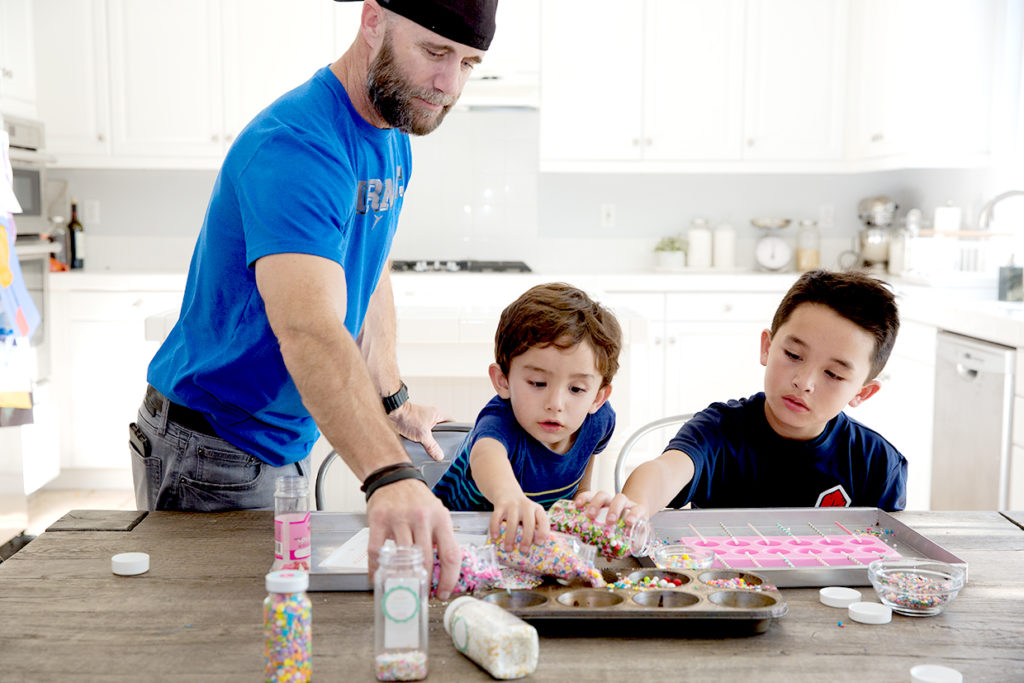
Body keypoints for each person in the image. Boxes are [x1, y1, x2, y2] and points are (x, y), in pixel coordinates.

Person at [128, 0, 499, 597]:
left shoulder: (389, 132)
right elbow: (308, 328)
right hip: (212, 451)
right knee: (219, 640)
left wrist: (392, 397)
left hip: (281, 440)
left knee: (282, 624)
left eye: (468, 63)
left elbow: (369, 268)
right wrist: (390, 475)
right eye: (434, 52)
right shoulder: (298, 146)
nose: (448, 84)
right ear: (373, 21)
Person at [578, 269, 908, 529]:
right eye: (793, 355)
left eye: (833, 375)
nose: (803, 382)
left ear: (862, 392)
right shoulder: (718, 430)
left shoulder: (878, 463)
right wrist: (635, 505)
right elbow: (664, 472)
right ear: (767, 347)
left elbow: (888, 551)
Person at [432, 282, 623, 551]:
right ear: (503, 381)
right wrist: (508, 496)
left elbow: (588, 450)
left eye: (577, 389)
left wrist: (582, 495)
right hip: (455, 536)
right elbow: (486, 456)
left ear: (597, 398)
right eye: (537, 383)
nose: (555, 404)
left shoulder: (599, 420)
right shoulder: (501, 420)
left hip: (526, 540)